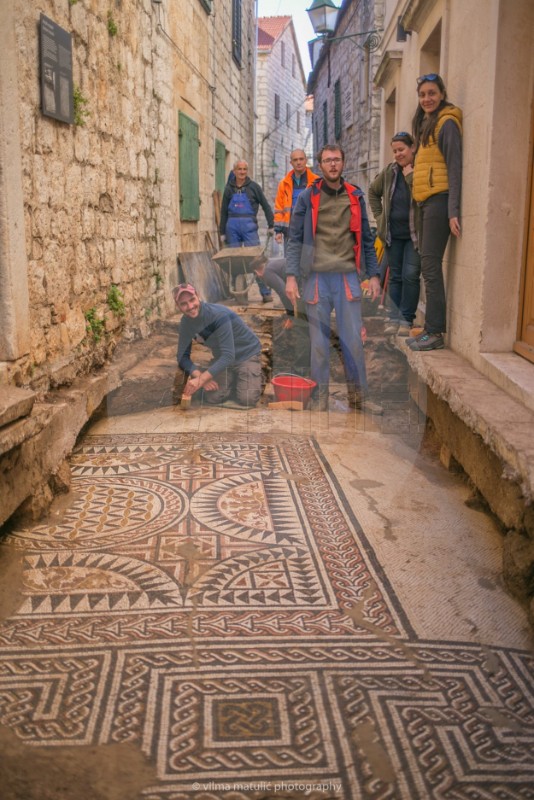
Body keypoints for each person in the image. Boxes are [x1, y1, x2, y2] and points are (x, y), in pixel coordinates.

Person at [285, 144, 383, 414]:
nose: (332, 165)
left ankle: (359, 399)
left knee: (352, 340)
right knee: (318, 343)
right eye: (327, 160)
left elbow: (366, 237)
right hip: (316, 279)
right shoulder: (307, 197)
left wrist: (373, 275)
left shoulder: (355, 196)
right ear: (320, 166)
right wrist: (291, 277)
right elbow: (294, 240)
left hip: (347, 277)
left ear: (343, 163)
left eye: (337, 160)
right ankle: (320, 398)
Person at [408, 73, 462, 351]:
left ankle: (435, 332)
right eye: (422, 95)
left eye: (431, 93)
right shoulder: (427, 124)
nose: (427, 99)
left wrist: (453, 211)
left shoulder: (447, 123)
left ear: (441, 93)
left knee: (429, 267)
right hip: (427, 202)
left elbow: (454, 167)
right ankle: (429, 329)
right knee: (426, 267)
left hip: (440, 202)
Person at [174, 283, 262, 407]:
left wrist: (202, 379)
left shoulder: (218, 315)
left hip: (246, 354)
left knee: (247, 399)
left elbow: (229, 355)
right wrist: (200, 377)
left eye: (192, 299)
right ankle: (233, 380)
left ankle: (248, 375)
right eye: (183, 304)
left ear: (198, 296)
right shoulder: (185, 323)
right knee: (212, 397)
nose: (190, 306)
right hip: (223, 358)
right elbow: (182, 356)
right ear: (178, 306)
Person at [368, 132, 421, 337]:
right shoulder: (389, 172)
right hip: (393, 235)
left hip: (414, 235)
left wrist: (409, 177)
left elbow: (422, 196)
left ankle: (406, 319)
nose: (398, 154)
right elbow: (373, 192)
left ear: (412, 148)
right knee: (396, 277)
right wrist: (380, 217)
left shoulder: (418, 171)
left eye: (402, 150)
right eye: (395, 151)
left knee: (410, 276)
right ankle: (393, 318)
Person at [220, 160, 275, 303]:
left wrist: (271, 224)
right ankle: (239, 292)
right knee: (235, 260)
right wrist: (222, 232)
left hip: (249, 226)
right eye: (239, 169)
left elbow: (266, 206)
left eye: (245, 169)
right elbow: (223, 211)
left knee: (256, 259)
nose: (242, 172)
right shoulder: (229, 189)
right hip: (232, 226)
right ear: (234, 171)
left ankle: (265, 291)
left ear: (247, 170)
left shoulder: (254, 187)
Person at [274, 149, 318, 252]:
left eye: (301, 159)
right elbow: (279, 208)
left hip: (310, 231)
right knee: (290, 263)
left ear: (306, 160)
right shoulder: (283, 184)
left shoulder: (316, 182)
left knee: (310, 264)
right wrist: (278, 231)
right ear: (291, 163)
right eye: (295, 160)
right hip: (290, 231)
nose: (298, 162)